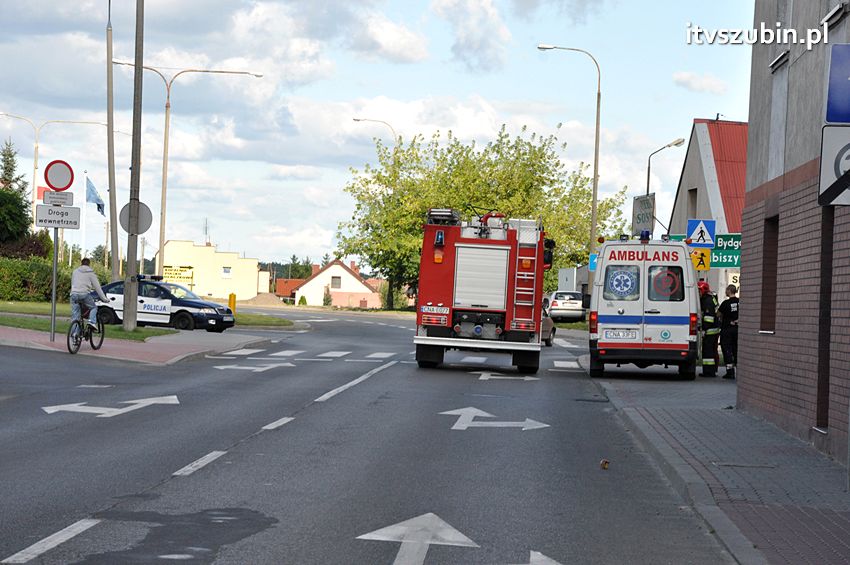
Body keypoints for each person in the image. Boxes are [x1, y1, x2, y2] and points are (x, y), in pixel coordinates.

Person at [70, 258, 108, 330]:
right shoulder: (91, 273)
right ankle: (91, 322)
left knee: (75, 316)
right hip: (84, 294)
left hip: (74, 294)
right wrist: (104, 299)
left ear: (81, 264)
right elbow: (98, 288)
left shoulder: (75, 272)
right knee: (93, 307)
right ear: (89, 264)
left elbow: (73, 283)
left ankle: (74, 336)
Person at [698, 280, 720, 377]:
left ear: (703, 290)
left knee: (708, 351)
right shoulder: (711, 298)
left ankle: (709, 372)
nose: (698, 293)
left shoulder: (707, 301)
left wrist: (704, 329)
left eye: (699, 291)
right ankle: (712, 370)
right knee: (713, 350)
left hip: (710, 330)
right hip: (714, 329)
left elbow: (708, 318)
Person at [718, 284, 739, 379]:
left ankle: (730, 372)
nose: (726, 292)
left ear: (729, 291)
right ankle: (740, 371)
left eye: (726, 290)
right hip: (738, 330)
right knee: (736, 350)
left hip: (727, 330)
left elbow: (718, 314)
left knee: (727, 350)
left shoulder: (725, 303)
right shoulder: (740, 302)